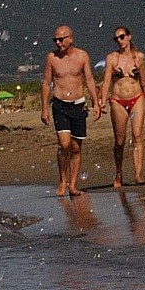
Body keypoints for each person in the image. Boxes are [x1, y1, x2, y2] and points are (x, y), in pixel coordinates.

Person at [40, 25, 100, 197]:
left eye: (61, 39)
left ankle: (73, 185)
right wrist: (44, 108)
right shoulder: (52, 58)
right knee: (64, 144)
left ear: (70, 38)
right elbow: (46, 82)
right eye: (55, 40)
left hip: (79, 105)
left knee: (75, 147)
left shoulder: (82, 56)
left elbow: (89, 79)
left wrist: (96, 103)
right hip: (60, 105)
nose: (58, 43)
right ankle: (62, 180)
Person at [100, 25, 145, 187]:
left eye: (122, 36)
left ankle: (138, 174)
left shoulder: (139, 57)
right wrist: (102, 102)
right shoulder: (112, 58)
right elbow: (106, 82)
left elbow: (144, 82)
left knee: (137, 136)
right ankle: (118, 174)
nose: (119, 40)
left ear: (129, 37)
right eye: (116, 38)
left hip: (137, 98)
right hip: (118, 100)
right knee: (119, 141)